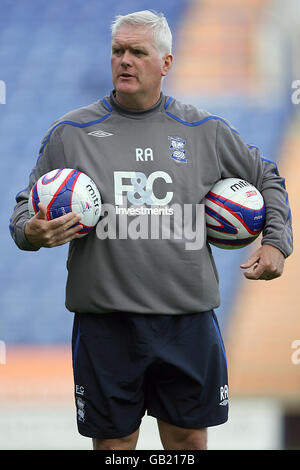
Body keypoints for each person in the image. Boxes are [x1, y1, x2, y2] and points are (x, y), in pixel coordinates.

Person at [10, 10, 293, 451]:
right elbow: (24, 208)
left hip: (186, 321)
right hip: (106, 324)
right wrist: (31, 231)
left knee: (187, 443)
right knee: (114, 447)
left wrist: (276, 241)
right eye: (117, 51)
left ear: (165, 63)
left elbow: (268, 178)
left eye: (137, 52)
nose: (124, 60)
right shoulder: (71, 133)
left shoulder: (204, 131)